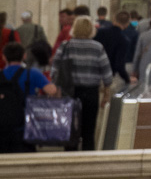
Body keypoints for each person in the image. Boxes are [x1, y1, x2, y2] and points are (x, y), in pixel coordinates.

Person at [50, 16, 112, 151]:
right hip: (91, 92)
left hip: (70, 92)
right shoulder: (98, 47)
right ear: (91, 30)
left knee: (71, 129)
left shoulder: (65, 46)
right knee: (88, 131)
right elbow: (107, 73)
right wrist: (107, 93)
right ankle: (87, 161)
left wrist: (56, 88)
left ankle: (69, 161)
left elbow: (55, 69)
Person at [1, 41, 58, 153]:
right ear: (24, 56)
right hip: (25, 124)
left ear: (4, 57)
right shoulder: (32, 73)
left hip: (2, 124)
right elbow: (52, 90)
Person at [94, 10, 132, 90]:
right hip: (109, 76)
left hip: (94, 74)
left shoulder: (100, 32)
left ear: (114, 19)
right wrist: (127, 79)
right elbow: (119, 65)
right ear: (127, 24)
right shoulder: (123, 40)